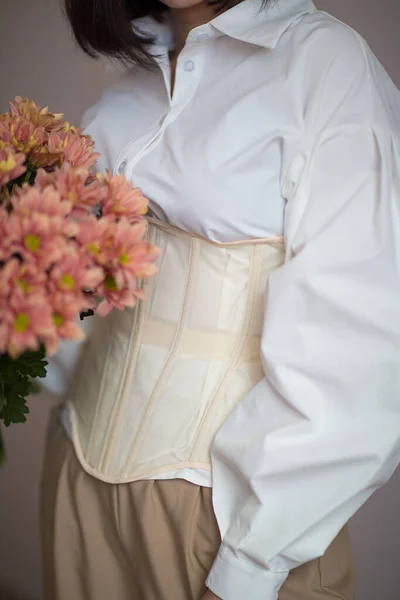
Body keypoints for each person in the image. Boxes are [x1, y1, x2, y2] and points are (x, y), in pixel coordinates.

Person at [41, 1, 400, 599]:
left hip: (222, 520)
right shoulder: (139, 64)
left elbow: (362, 353)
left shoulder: (320, 66)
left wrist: (249, 567)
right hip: (78, 470)